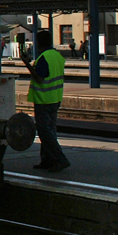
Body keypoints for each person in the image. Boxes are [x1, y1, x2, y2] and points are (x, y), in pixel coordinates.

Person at [20, 30, 70, 172]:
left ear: (38, 42)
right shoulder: (57, 56)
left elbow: (40, 78)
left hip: (44, 99)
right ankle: (47, 160)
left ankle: (60, 159)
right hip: (55, 98)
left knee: (44, 131)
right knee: (50, 129)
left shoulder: (44, 58)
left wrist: (27, 64)